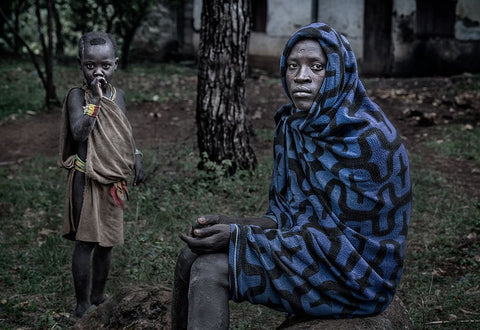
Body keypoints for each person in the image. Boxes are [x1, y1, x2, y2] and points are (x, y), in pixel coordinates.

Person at [172, 22, 412, 329]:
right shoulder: (292, 127)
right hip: (311, 249)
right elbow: (288, 215)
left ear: (339, 71)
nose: (301, 77)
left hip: (357, 275)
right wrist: (232, 224)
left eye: (316, 67)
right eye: (293, 66)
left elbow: (338, 240)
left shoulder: (370, 141)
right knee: (188, 257)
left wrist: (238, 236)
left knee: (209, 271)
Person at [58, 31, 143, 319]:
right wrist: (94, 100)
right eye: (90, 66)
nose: (98, 72)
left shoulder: (119, 97)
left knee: (107, 242)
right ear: (80, 64)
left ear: (115, 64)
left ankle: (98, 295)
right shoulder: (76, 96)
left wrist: (136, 156)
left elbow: (123, 132)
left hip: (114, 182)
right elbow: (80, 131)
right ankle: (82, 303)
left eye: (105, 65)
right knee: (87, 242)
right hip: (86, 178)